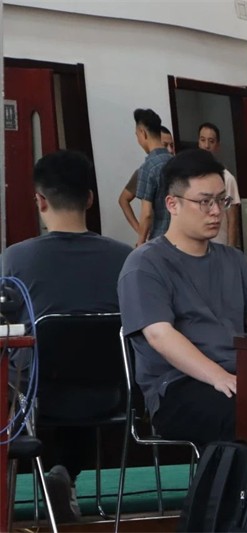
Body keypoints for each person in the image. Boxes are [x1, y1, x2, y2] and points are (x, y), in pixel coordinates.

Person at [118, 149, 247, 447]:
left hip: (241, 377)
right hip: (178, 387)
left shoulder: (234, 261)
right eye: (205, 201)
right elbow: (159, 335)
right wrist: (218, 376)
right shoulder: (145, 264)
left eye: (222, 200)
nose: (217, 211)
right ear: (172, 204)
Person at [2, 150, 132, 523]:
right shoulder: (126, 258)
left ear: (40, 200)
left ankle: (37, 482)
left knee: (24, 370)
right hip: (111, 396)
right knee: (81, 365)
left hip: (33, 398)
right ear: (90, 198)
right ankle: (64, 475)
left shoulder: (15, 259)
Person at [119, 126, 175, 235]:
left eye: (172, 145)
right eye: (165, 145)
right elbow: (123, 200)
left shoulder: (179, 168)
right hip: (158, 236)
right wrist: (140, 230)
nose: (169, 150)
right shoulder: (146, 171)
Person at [197, 122, 241, 247]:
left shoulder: (227, 179)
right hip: (197, 246)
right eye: (203, 140)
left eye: (211, 141)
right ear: (198, 143)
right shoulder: (191, 178)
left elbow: (232, 219)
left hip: (220, 245)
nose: (206, 145)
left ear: (217, 146)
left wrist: (230, 251)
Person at [133, 108, 173, 246]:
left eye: (137, 135)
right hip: (181, 237)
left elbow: (147, 214)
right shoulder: (176, 161)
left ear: (143, 133)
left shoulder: (148, 167)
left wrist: (140, 243)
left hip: (160, 240)